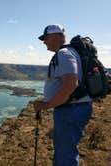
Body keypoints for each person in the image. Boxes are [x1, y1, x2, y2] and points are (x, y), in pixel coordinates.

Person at [33, 24, 93, 166]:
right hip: (73, 109)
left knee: (66, 155)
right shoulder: (69, 53)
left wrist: (47, 105)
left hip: (70, 110)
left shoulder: (64, 54)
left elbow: (71, 83)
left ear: (57, 36)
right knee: (64, 151)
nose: (44, 41)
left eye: (46, 38)